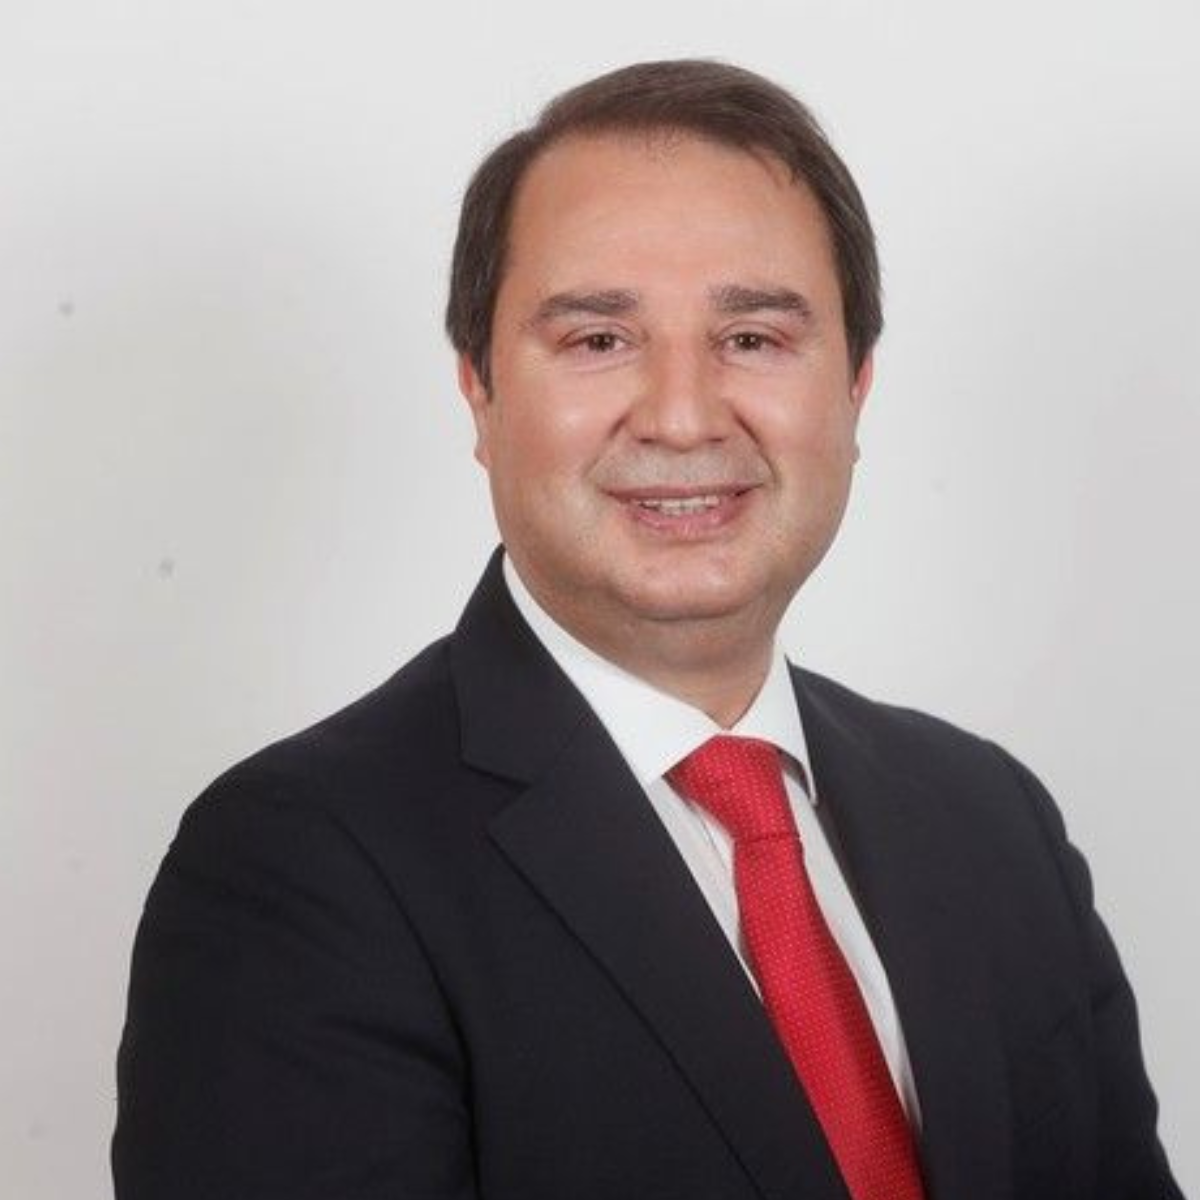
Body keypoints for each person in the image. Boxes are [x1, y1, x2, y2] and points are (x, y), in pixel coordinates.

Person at [112, 59, 1183, 1200]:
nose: (682, 416)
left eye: (754, 338)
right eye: (598, 341)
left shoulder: (992, 824)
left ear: (856, 389)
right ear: (479, 394)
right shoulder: (299, 867)